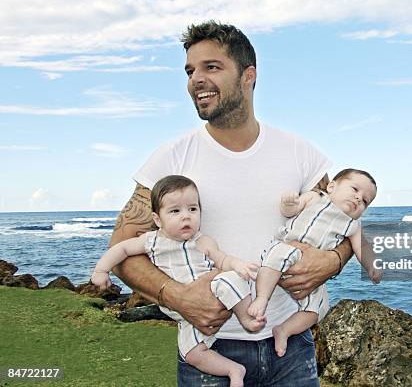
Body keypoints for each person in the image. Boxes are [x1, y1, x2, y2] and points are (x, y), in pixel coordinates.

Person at [109, 21, 355, 386]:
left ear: (248, 76)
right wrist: (179, 297)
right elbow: (122, 248)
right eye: (190, 71)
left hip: (291, 346)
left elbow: (349, 219)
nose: (196, 80)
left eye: (211, 67)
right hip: (209, 349)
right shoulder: (170, 159)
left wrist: (332, 261)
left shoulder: (300, 153)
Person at [91, 175, 264, 386]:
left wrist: (238, 265)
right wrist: (102, 270)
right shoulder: (151, 241)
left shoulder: (202, 241)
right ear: (157, 219)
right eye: (175, 211)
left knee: (227, 279)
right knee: (191, 354)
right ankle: (233, 370)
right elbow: (122, 248)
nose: (186, 217)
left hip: (211, 293)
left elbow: (222, 259)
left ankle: (246, 317)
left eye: (193, 209)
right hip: (183, 313)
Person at [248, 168, 381, 357]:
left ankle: (284, 330)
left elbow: (362, 248)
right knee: (277, 255)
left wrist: (371, 266)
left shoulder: (352, 226)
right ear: (331, 187)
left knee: (316, 309)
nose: (359, 198)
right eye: (355, 189)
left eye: (365, 201)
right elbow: (290, 211)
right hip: (288, 249)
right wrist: (289, 203)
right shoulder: (316, 197)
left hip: (311, 272)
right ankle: (262, 297)